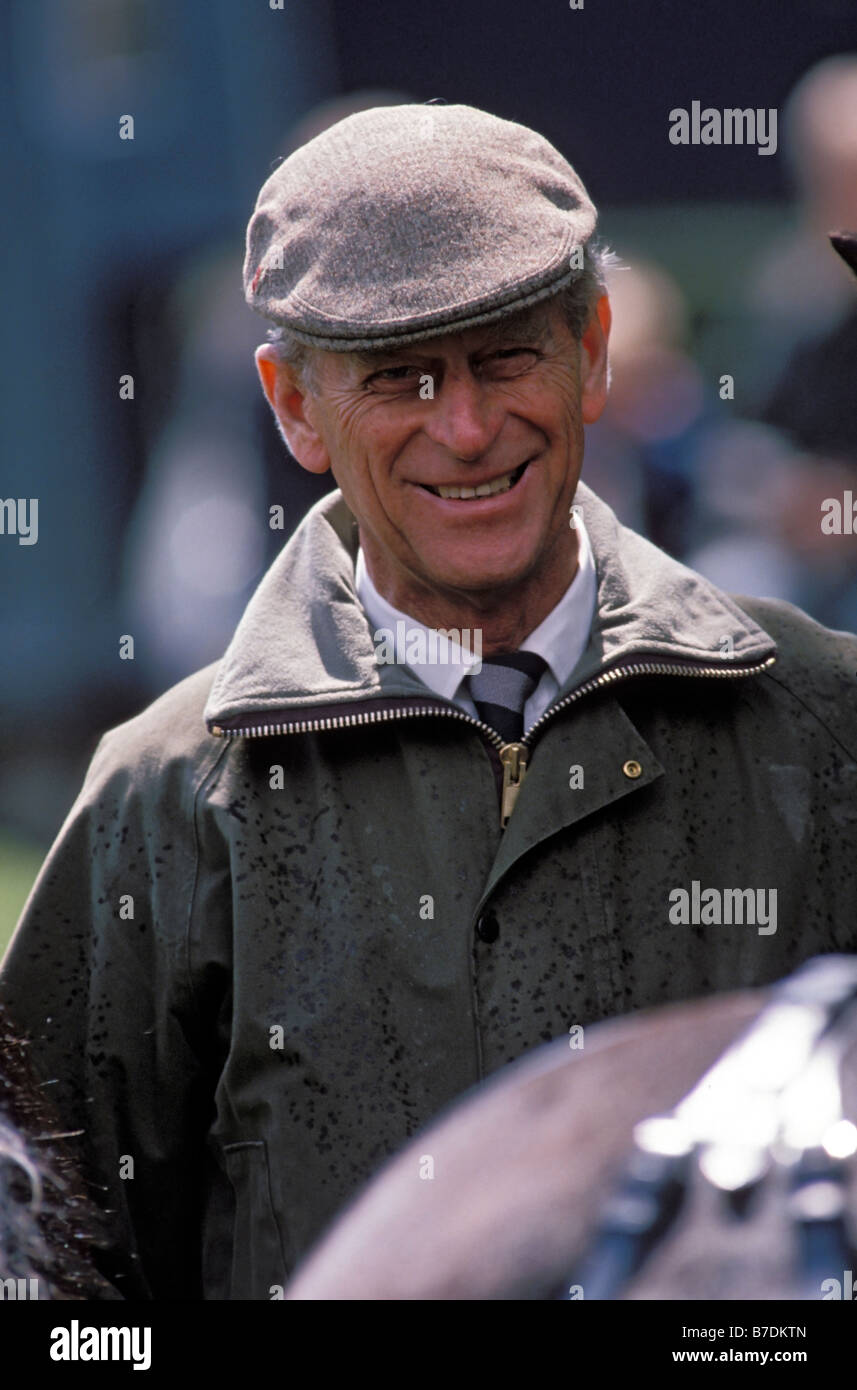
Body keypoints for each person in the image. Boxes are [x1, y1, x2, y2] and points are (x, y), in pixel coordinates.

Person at [1, 103, 856, 1301]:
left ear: (595, 350)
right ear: (294, 407)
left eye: (506, 356)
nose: (464, 429)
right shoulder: (169, 796)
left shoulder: (820, 729)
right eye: (398, 377)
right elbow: (63, 1294)